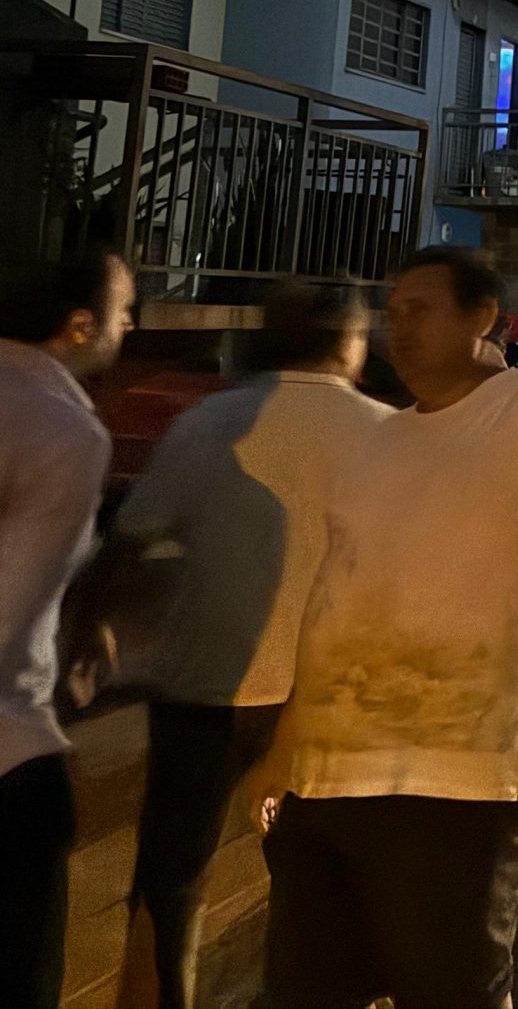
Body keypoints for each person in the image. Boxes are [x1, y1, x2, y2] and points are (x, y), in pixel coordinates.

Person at [259, 248, 518, 1009]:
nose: (398, 328)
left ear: (483, 319)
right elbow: (336, 594)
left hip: (464, 770)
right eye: (393, 311)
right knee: (302, 990)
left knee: (449, 992)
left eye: (420, 310)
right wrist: (286, 752)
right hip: (332, 773)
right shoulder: (374, 440)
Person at [102, 280, 386, 1009]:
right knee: (325, 875)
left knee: (173, 873)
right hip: (332, 695)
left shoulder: (209, 422)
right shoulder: (388, 434)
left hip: (203, 682)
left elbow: (132, 537)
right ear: (350, 346)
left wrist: (95, 629)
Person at [0, 249, 131, 1009]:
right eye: (124, 311)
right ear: (81, 325)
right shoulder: (66, 432)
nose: (130, 325)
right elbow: (12, 610)